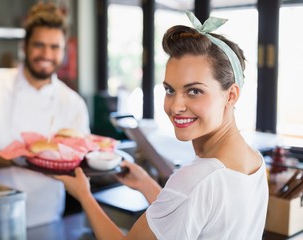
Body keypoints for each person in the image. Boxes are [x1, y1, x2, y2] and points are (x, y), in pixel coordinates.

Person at [55, 11, 268, 240]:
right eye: (170, 90)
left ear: (231, 95)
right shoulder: (254, 161)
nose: (176, 106)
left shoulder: (197, 178)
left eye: (194, 91)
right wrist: (146, 184)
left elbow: (193, 192)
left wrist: (84, 195)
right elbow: (192, 215)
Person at [0, 2, 90, 228]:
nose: (46, 54)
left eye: (54, 47)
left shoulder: (73, 103)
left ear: (64, 50)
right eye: (39, 45)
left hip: (48, 217)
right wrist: (22, 157)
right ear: (25, 46)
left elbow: (79, 157)